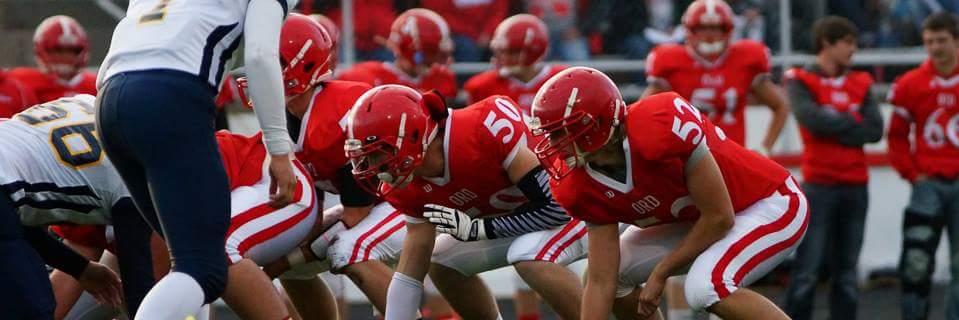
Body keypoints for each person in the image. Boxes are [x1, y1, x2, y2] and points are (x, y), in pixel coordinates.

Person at [529, 67, 807, 320]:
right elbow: (602, 280)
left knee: (706, 287)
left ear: (597, 125)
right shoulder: (578, 184)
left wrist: (661, 273)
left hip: (769, 202)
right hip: (698, 218)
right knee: (612, 278)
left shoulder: (658, 129)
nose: (554, 145)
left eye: (560, 133)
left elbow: (720, 217)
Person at [95, 0, 299, 318]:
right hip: (172, 96)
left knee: (190, 256)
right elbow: (260, 56)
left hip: (109, 102)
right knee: (204, 267)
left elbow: (110, 62)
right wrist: (279, 150)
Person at [345, 85, 587, 320]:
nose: (372, 167)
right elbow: (410, 270)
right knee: (441, 260)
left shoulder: (482, 127)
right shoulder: (404, 186)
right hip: (521, 216)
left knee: (528, 254)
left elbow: (557, 209)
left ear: (412, 136)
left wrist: (479, 229)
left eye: (377, 153)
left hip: (578, 202)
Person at [48, 129, 322, 320]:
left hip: (270, 181)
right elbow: (77, 265)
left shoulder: (138, 173)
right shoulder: (74, 179)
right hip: (177, 223)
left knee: (211, 250)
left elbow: (159, 264)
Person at [0, 95, 148, 318]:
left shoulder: (87, 101)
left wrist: (80, 268)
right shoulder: (135, 168)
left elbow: (13, 221)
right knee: (29, 308)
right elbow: (139, 282)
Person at [780, 16, 884, 320]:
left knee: (847, 274)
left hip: (855, 186)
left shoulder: (861, 81)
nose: (853, 49)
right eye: (848, 42)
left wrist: (833, 122)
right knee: (807, 271)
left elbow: (875, 130)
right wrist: (851, 120)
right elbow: (811, 121)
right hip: (819, 185)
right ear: (827, 42)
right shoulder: (799, 79)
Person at [643, 0, 789, 153]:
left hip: (731, 155)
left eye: (716, 28)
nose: (710, 35)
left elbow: (780, 106)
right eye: (702, 28)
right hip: (685, 157)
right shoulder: (670, 61)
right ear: (690, 30)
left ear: (727, 30)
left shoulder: (747, 58)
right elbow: (643, 112)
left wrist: (765, 148)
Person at [887, 12, 959, 320]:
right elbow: (897, 137)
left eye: (941, 40)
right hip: (927, 185)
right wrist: (912, 174)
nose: (935, 47)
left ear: (956, 40)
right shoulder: (909, 84)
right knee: (916, 265)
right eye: (929, 41)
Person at [337, 8, 458, 100]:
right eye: (433, 53)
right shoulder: (367, 77)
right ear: (411, 50)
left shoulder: (442, 79)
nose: (438, 61)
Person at [464, 14, 567, 115]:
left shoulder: (561, 80)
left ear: (533, 50)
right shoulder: (481, 86)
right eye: (499, 51)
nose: (501, 57)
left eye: (509, 52)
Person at [8, 15, 97, 102]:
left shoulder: (95, 85)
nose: (65, 57)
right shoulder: (20, 82)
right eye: (57, 50)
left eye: (72, 51)